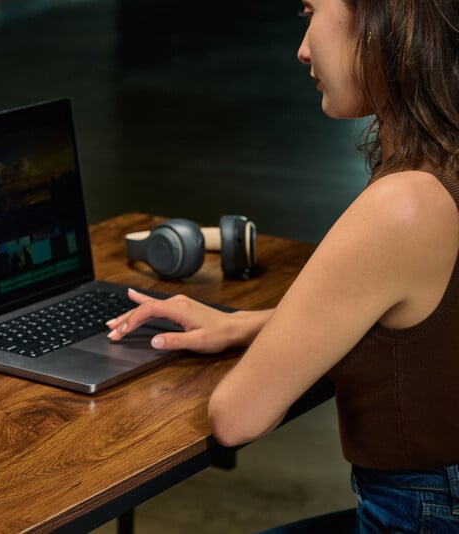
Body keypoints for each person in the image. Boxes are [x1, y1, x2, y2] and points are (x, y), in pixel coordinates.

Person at [106, 0, 459, 532]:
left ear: (379, 21)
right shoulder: (441, 160)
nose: (302, 47)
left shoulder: (404, 204)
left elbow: (236, 418)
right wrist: (238, 323)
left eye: (310, 11)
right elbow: (398, 314)